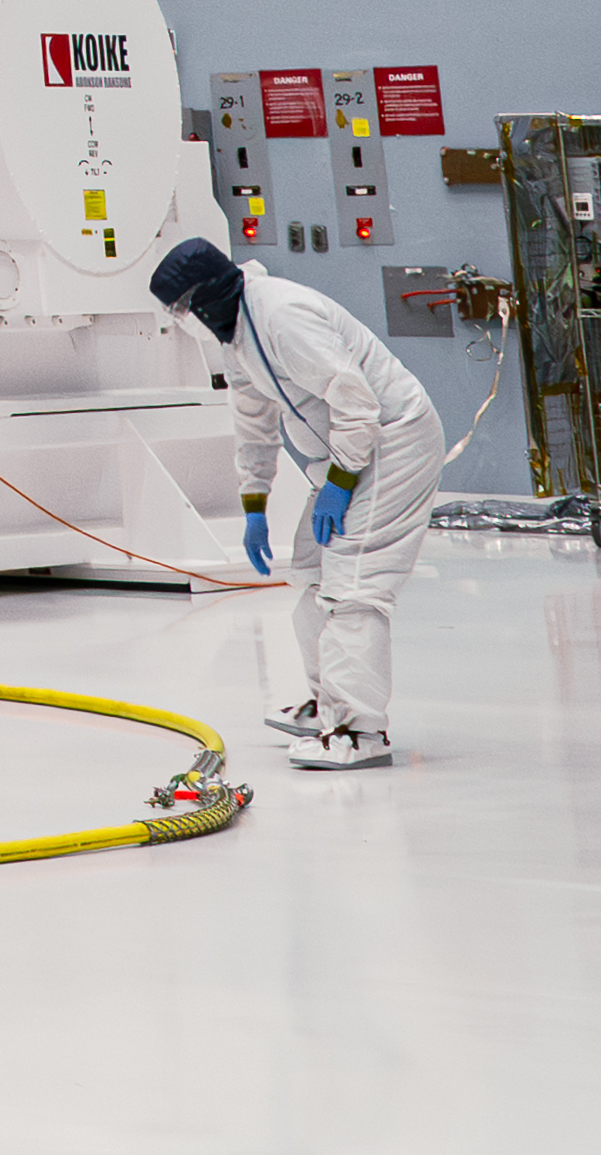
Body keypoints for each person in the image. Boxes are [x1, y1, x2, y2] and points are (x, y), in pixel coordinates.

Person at [153, 234, 437, 765]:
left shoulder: (282, 315)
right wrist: (254, 504)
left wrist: (340, 482)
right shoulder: (235, 335)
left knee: (354, 584)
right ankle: (327, 703)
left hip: (392, 441)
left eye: (185, 306)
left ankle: (360, 731)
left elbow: (357, 402)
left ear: (210, 292)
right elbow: (253, 424)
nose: (184, 318)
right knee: (311, 571)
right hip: (347, 456)